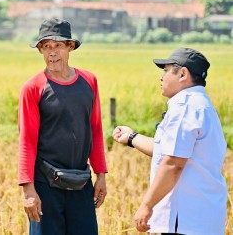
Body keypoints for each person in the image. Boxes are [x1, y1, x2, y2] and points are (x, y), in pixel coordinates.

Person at [113, 47, 227, 235]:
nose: (162, 77)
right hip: (200, 219)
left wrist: (147, 205)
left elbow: (173, 163)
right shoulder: (201, 104)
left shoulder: (185, 106)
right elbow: (167, 150)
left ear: (182, 74)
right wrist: (132, 138)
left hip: (185, 221)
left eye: (166, 71)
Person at [18, 18, 108, 235]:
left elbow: (95, 129)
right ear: (40, 50)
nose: (52, 52)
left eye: (58, 45)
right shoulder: (33, 88)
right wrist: (28, 189)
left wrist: (101, 175)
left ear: (70, 47)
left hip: (81, 182)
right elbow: (27, 140)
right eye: (46, 46)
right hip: (45, 185)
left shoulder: (89, 81)